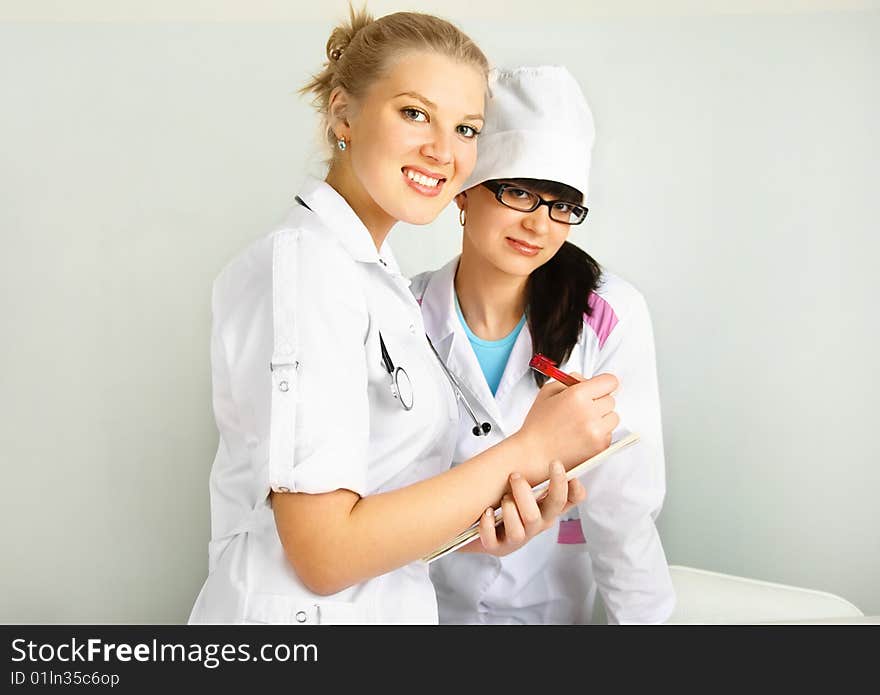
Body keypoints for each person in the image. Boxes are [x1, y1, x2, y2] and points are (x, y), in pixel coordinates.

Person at [188, 9, 620, 625]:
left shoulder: (376, 280)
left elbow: (375, 509)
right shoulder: (309, 268)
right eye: (414, 113)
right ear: (343, 114)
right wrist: (530, 447)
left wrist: (484, 527)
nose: (443, 151)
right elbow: (324, 553)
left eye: (467, 129)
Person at [412, 65, 676, 625]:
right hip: (414, 610)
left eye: (561, 204)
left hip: (550, 617)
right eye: (518, 192)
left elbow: (624, 510)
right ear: (464, 193)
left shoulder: (608, 315)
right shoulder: (399, 314)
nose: (539, 225)